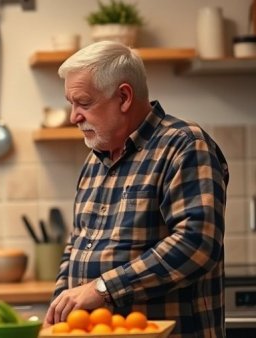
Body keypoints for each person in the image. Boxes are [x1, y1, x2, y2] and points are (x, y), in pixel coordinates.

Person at [42, 41, 228, 338]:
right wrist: (59, 307)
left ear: (124, 97)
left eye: (84, 103)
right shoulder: (95, 160)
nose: (73, 117)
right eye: (71, 104)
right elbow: (77, 243)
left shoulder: (184, 144)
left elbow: (196, 244)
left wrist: (103, 289)